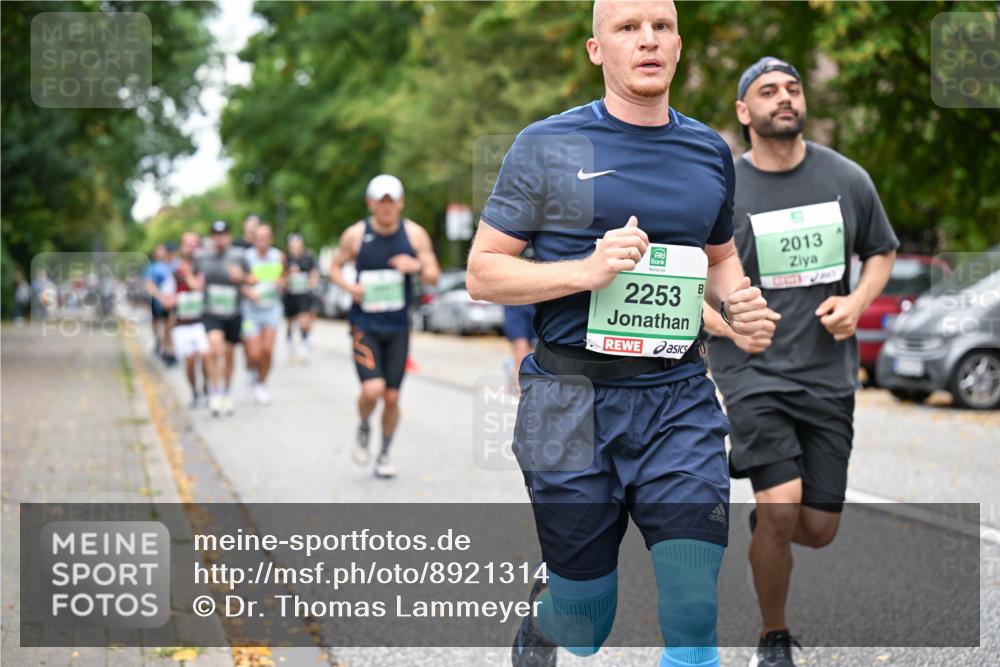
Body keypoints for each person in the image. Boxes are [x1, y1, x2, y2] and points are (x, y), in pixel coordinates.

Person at [466, 3, 770, 666]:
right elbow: (482, 273)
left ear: (679, 44)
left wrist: (741, 303)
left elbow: (718, 259)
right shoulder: (547, 146)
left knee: (693, 609)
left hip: (679, 397)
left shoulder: (707, 151)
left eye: (660, 26)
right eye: (628, 28)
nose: (648, 40)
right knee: (584, 622)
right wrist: (587, 268)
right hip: (567, 401)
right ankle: (548, 618)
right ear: (596, 48)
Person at [703, 57, 898, 667]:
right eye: (767, 91)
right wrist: (730, 324)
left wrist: (858, 300)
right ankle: (774, 635)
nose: (783, 98)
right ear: (744, 112)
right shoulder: (723, 188)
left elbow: (882, 251)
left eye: (792, 88)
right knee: (785, 502)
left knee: (817, 527)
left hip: (826, 374)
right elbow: (702, 270)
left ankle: (772, 521)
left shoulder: (847, 178)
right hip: (751, 370)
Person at [328, 174, 441, 479]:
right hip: (364, 324)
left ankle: (385, 452)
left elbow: (434, 274)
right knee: (372, 389)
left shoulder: (415, 235)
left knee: (391, 397)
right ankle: (365, 425)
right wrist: (350, 288)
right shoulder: (355, 235)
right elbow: (334, 268)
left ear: (401, 203)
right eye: (381, 201)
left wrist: (416, 267)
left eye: (392, 201)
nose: (387, 207)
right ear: (371, 203)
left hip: (398, 326)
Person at [195, 220, 250, 417]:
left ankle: (226, 391)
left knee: (228, 354)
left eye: (224, 234)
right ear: (212, 236)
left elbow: (253, 279)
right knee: (213, 349)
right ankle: (215, 392)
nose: (220, 238)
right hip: (211, 311)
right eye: (216, 234)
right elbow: (194, 278)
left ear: (228, 236)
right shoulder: (201, 257)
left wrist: (242, 277)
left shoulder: (239, 256)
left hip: (233, 312)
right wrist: (195, 283)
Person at [241, 224, 285, 405]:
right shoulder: (246, 257)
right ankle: (251, 371)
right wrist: (248, 287)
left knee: (267, 350)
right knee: (254, 353)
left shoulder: (278, 256)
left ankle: (261, 384)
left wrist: (281, 282)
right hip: (250, 312)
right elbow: (238, 280)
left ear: (271, 239)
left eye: (265, 237)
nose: (262, 241)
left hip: (271, 310)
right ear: (254, 240)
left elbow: (285, 278)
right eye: (259, 238)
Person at [170, 232, 210, 408]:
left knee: (206, 357)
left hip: (203, 321)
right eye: (188, 244)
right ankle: (195, 392)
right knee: (190, 361)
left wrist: (189, 276)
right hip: (182, 323)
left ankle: (208, 389)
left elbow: (200, 287)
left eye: (195, 244)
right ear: (182, 247)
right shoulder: (174, 271)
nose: (192, 248)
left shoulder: (206, 266)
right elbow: (167, 299)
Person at [283, 233, 320, 362]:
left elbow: (314, 272)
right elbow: (280, 275)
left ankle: (304, 342)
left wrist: (313, 282)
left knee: (304, 319)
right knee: (290, 321)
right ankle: (289, 341)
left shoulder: (308, 257)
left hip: (304, 294)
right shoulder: (285, 258)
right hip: (289, 295)